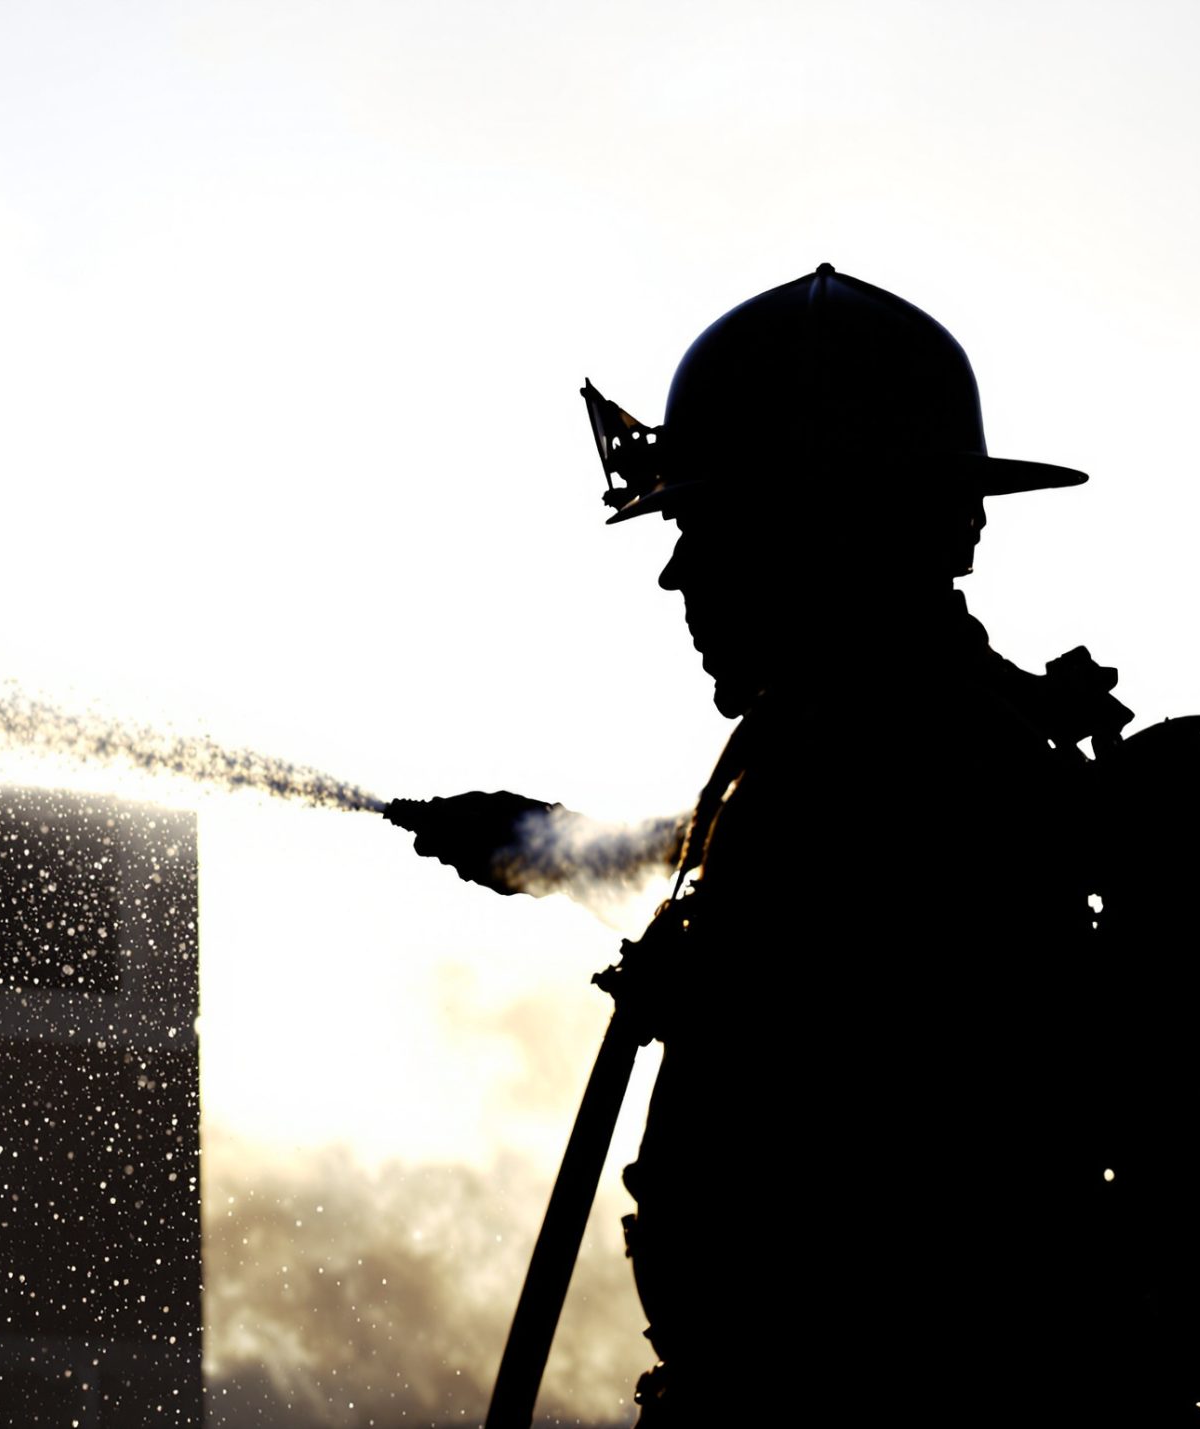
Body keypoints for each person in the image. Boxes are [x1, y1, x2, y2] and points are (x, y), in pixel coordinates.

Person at [406, 265, 1154, 1423]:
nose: (677, 570)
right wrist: (552, 844)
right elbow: (738, 863)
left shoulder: (898, 753)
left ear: (820, 528)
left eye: (708, 525)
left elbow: (859, 1137)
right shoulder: (877, 736)